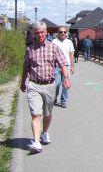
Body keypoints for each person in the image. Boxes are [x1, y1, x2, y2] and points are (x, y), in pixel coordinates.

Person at [20, 21, 71, 153]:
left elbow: (63, 64)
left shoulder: (53, 48)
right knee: (36, 115)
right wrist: (22, 82)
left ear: (46, 33)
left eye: (42, 32)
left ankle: (44, 133)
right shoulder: (29, 49)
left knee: (47, 113)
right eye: (37, 33)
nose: (40, 35)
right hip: (34, 85)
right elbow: (25, 67)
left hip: (49, 85)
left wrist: (66, 78)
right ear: (33, 35)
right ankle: (36, 142)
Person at [52, 27, 75, 108]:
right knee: (57, 83)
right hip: (57, 66)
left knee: (65, 84)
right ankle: (54, 98)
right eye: (61, 32)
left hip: (66, 65)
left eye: (65, 32)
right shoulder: (54, 41)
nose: (63, 33)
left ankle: (63, 101)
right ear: (58, 33)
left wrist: (72, 66)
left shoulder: (69, 42)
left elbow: (71, 55)